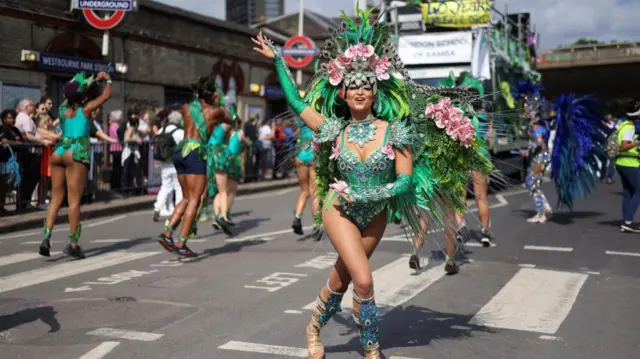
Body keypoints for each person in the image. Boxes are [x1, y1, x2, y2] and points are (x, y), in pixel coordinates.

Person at [252, 7, 493, 357]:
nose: (360, 91)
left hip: (375, 213)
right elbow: (295, 101)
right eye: (353, 87)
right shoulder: (333, 129)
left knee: (344, 277)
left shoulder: (397, 131)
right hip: (341, 209)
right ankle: (371, 349)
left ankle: (313, 326)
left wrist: (376, 193)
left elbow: (406, 182)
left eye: (366, 86)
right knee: (364, 280)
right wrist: (278, 60)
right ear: (343, 95)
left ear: (375, 92)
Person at [39, 71, 112, 259]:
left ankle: (46, 237)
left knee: (55, 198)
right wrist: (106, 80)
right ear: (83, 95)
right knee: (73, 200)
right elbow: (106, 95)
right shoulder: (86, 109)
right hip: (76, 152)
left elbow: (71, 94)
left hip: (59, 151)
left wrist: (90, 82)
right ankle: (73, 243)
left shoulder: (63, 109)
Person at [157, 76, 232, 257]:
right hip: (196, 152)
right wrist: (221, 102)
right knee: (194, 199)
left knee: (185, 197)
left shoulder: (187, 108)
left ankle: (167, 233)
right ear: (212, 96)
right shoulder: (216, 112)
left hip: (180, 151)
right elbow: (231, 119)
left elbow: (194, 105)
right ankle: (181, 242)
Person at [292, 116, 321, 240]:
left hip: (300, 154)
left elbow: (297, 134)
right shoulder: (317, 115)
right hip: (313, 154)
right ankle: (316, 227)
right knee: (316, 193)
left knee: (304, 191)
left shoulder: (301, 116)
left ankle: (297, 218)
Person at [153, 111, 184, 221]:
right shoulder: (180, 132)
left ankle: (157, 208)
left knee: (165, 186)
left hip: (164, 163)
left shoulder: (162, 130)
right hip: (176, 164)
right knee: (178, 187)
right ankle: (179, 210)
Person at [615, 103, 640, 232]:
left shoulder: (623, 125)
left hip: (623, 163)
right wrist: (638, 142)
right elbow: (624, 146)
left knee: (628, 192)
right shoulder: (629, 128)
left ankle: (626, 221)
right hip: (629, 163)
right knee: (638, 191)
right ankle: (628, 221)